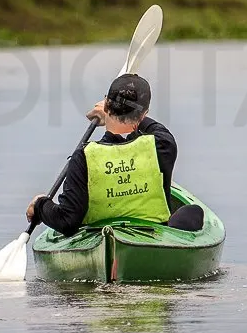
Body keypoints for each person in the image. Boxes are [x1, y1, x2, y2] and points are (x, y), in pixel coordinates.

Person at [26, 73, 204, 236]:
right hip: (150, 234)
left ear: (106, 104)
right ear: (144, 114)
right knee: (194, 211)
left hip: (99, 235)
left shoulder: (84, 156)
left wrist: (41, 204)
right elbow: (154, 127)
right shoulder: (162, 145)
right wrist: (128, 109)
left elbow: (67, 222)